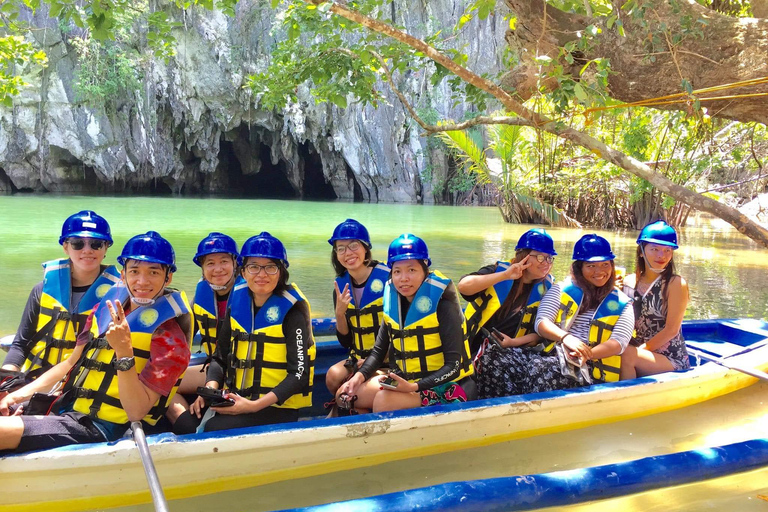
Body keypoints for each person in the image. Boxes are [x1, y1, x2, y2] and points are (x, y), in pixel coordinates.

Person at [0, 231, 192, 453]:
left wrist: (124, 352)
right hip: (66, 407)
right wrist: (14, 396)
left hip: (104, 427)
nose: (142, 281)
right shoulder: (102, 311)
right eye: (134, 271)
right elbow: (69, 364)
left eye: (153, 272)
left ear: (167, 278)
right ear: (123, 275)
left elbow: (136, 412)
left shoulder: (169, 338)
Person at [336, 234, 475, 413]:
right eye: (397, 271)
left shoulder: (443, 304)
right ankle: (371, 437)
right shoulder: (392, 302)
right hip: (405, 380)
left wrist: (414, 387)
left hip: (449, 386)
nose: (403, 278)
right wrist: (359, 377)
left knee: (384, 401)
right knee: (345, 395)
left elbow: (454, 366)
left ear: (425, 270)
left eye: (411, 270)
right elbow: (378, 352)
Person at [193, 232, 315, 432]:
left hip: (276, 406)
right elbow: (220, 357)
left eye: (270, 267)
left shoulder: (292, 312)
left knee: (213, 428)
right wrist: (210, 389)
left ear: (281, 272)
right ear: (243, 272)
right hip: (237, 397)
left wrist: (252, 406)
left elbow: (299, 375)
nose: (262, 274)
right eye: (254, 267)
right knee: (188, 422)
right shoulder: (238, 301)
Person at [486, 234, 634, 396]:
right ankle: (506, 410)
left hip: (589, 365)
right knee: (496, 358)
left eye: (605, 264)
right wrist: (566, 338)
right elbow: (542, 322)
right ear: (580, 268)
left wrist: (586, 353)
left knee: (541, 370)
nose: (599, 271)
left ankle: (531, 415)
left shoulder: (623, 303)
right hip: (549, 353)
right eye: (591, 266)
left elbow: (619, 342)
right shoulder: (560, 289)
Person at [2, 211, 120, 382]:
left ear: (106, 247)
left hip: (83, 389)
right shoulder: (42, 290)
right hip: (34, 381)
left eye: (96, 244)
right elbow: (21, 344)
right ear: (66, 247)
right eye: (78, 244)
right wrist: (6, 380)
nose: (87, 250)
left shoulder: (119, 295)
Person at [459, 229, 557, 399]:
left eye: (550, 258)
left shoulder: (549, 288)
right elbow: (464, 286)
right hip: (477, 349)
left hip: (517, 351)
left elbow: (541, 334)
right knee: (493, 361)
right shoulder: (499, 271)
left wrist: (513, 343)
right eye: (540, 257)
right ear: (523, 255)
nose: (546, 263)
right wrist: (504, 275)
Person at [167, 232, 242, 434]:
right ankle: (185, 422)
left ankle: (190, 427)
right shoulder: (203, 294)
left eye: (224, 261)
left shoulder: (251, 295)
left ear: (236, 263)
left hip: (243, 372)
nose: (217, 269)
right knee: (162, 382)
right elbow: (184, 337)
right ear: (202, 267)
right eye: (210, 263)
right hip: (214, 368)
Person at [325, 219, 390, 397]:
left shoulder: (389, 279)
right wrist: (340, 312)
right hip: (357, 358)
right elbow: (345, 342)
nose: (348, 253)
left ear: (365, 248)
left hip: (388, 359)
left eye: (353, 246)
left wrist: (373, 361)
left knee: (353, 394)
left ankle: (346, 410)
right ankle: (351, 411)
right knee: (332, 376)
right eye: (341, 248)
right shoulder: (340, 286)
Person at [620, 221, 690, 379]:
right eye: (655, 249)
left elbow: (671, 330)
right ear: (641, 251)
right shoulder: (629, 281)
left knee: (626, 355)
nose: (662, 255)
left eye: (667, 250)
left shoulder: (676, 284)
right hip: (639, 349)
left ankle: (628, 399)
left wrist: (641, 351)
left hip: (670, 357)